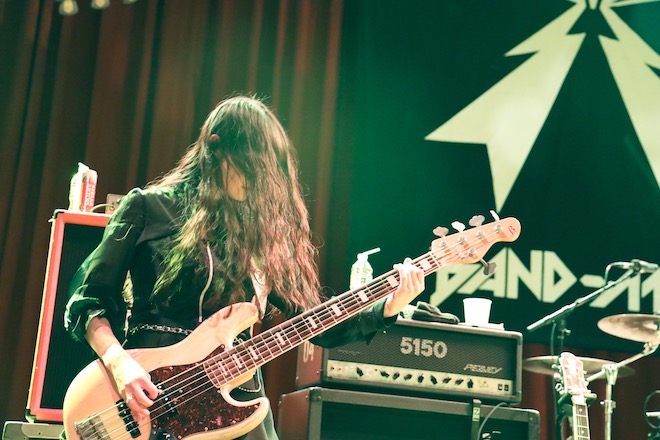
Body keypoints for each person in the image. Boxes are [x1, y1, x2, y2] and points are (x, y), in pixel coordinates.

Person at [64, 95, 425, 440]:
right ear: (216, 148)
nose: (256, 182)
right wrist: (119, 363)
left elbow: (316, 324)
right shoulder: (150, 207)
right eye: (250, 168)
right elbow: (88, 300)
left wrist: (387, 307)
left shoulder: (261, 234)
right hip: (151, 392)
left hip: (233, 394)